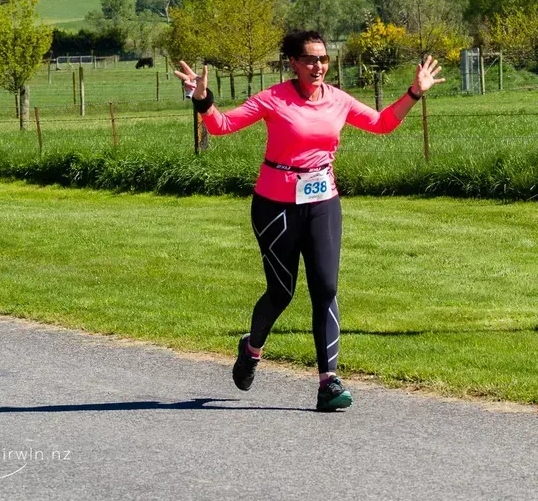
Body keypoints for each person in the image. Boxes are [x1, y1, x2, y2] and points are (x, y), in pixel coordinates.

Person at [175, 30, 445, 412]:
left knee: (325, 289)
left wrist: (414, 93)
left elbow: (383, 123)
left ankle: (328, 383)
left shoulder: (338, 99)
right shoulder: (273, 98)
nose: (318, 66)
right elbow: (221, 125)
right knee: (281, 292)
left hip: (323, 202)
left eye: (323, 60)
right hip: (275, 205)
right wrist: (202, 98)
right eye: (310, 60)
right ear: (294, 64)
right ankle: (251, 349)